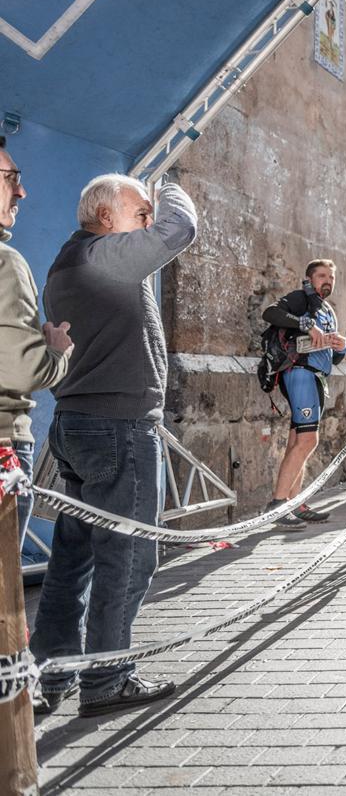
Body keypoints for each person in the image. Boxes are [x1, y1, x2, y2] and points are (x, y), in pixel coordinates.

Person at [32, 173, 197, 717]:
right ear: (106, 218)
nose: (147, 223)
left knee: (73, 559)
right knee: (129, 556)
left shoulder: (69, 261)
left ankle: (51, 676)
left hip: (79, 425)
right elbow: (181, 229)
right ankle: (107, 679)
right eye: (139, 213)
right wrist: (166, 185)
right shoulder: (103, 255)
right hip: (117, 429)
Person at [0, 137, 72, 549]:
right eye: (12, 178)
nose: (22, 191)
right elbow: (22, 369)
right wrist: (57, 351)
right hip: (4, 447)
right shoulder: (6, 263)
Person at [262, 260, 346, 528]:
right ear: (310, 278)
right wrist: (304, 324)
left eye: (331, 277)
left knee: (297, 442)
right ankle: (278, 505)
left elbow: (334, 358)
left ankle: (294, 502)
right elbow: (270, 313)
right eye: (322, 276)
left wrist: (342, 345)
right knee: (308, 441)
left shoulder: (326, 310)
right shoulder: (300, 298)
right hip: (300, 374)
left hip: (317, 377)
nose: (327, 281)